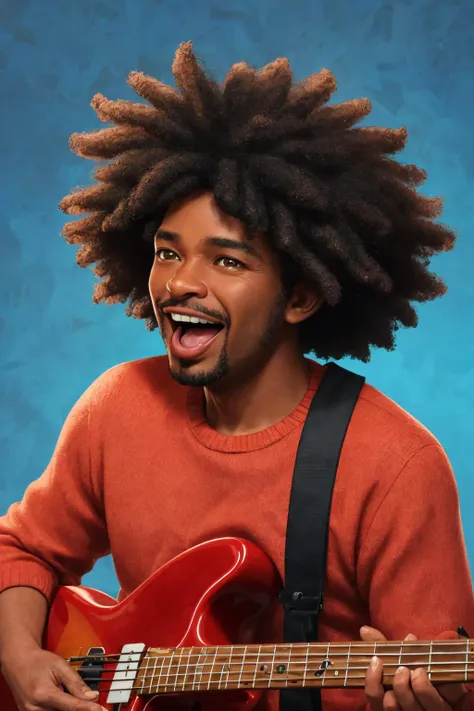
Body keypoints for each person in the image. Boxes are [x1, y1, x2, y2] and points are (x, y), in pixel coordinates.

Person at [0, 42, 472, 711]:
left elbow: (453, 681)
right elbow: (21, 548)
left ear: (300, 297)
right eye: (168, 252)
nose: (181, 283)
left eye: (226, 261)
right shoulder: (115, 408)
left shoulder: (397, 467)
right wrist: (21, 658)